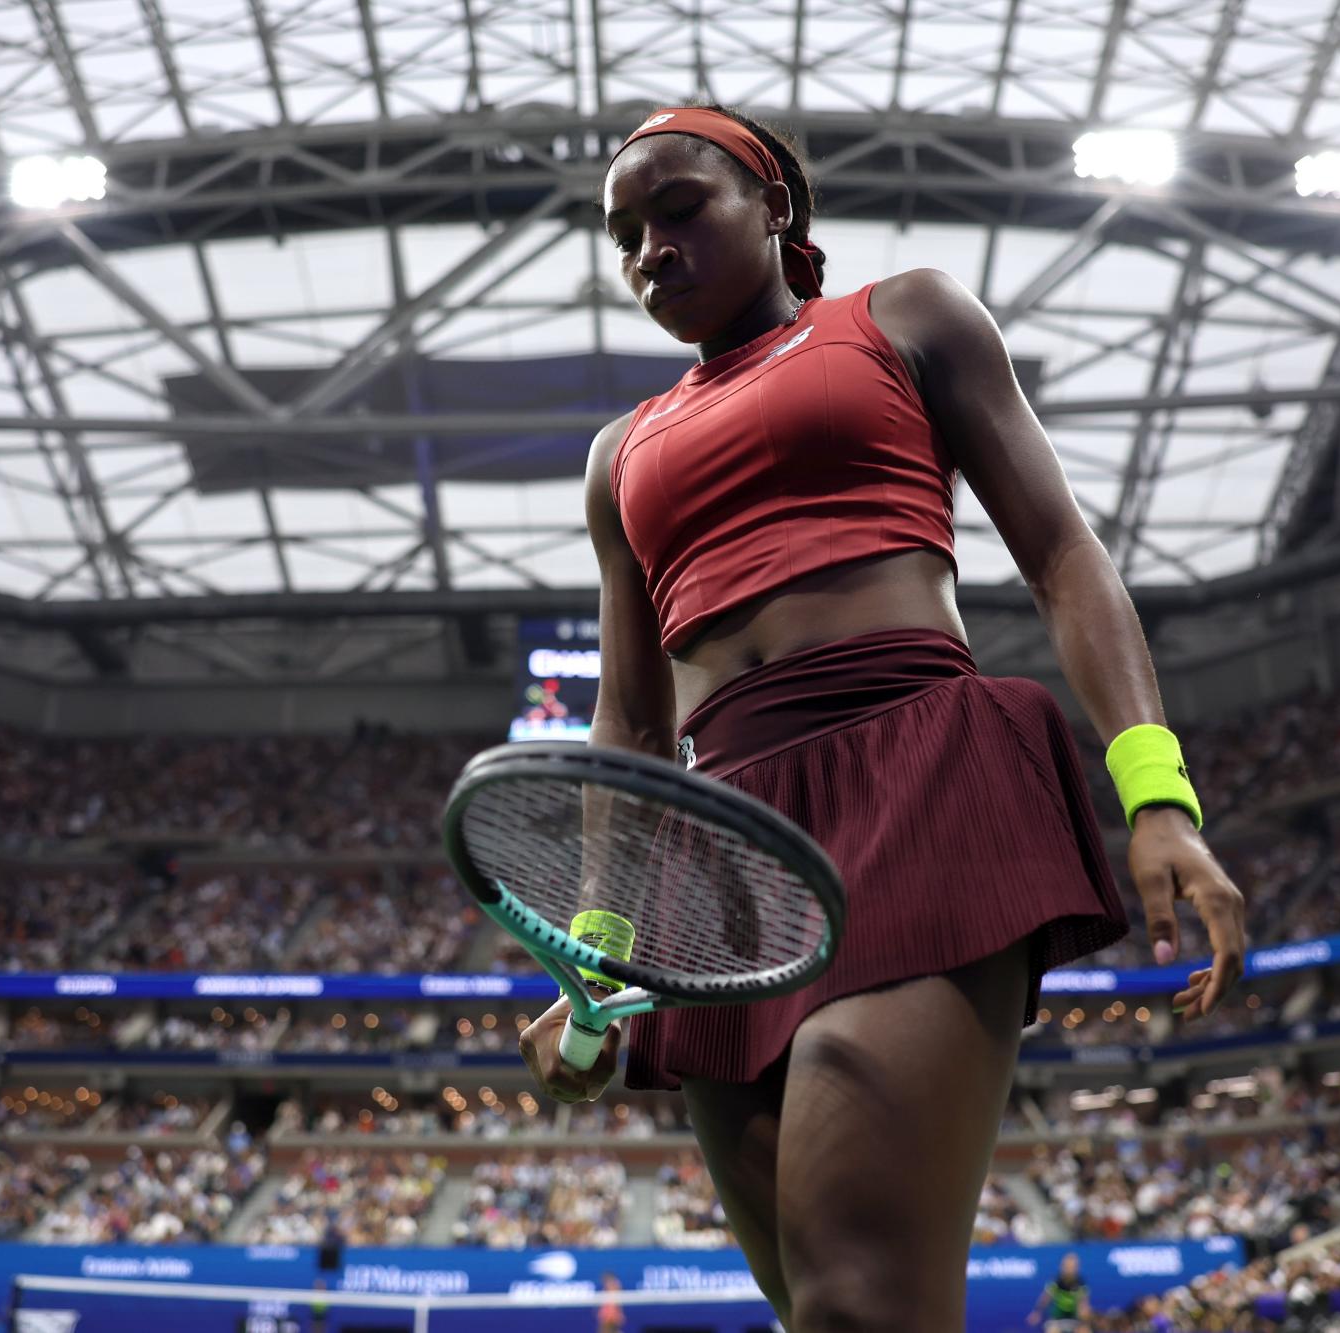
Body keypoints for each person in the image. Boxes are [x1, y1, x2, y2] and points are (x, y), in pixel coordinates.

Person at [518, 102, 1247, 1331]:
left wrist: (1156, 793)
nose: (649, 248)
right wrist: (594, 945)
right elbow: (631, 727)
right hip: (715, 858)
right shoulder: (617, 454)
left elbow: (1062, 555)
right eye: (624, 233)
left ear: (775, 207)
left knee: (861, 1295)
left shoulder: (905, 317)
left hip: (913, 777)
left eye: (680, 207)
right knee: (815, 1302)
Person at [1028, 1256, 1092, 1333]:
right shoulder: (1055, 1282)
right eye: (1067, 1266)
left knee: (1085, 1331)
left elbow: (1084, 1305)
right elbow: (1045, 1298)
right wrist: (1037, 1312)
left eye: (1072, 1267)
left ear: (1077, 1268)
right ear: (1062, 1267)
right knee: (1052, 1331)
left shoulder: (1082, 1284)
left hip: (1075, 1320)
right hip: (1057, 1320)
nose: (1069, 1270)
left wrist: (1084, 1316)